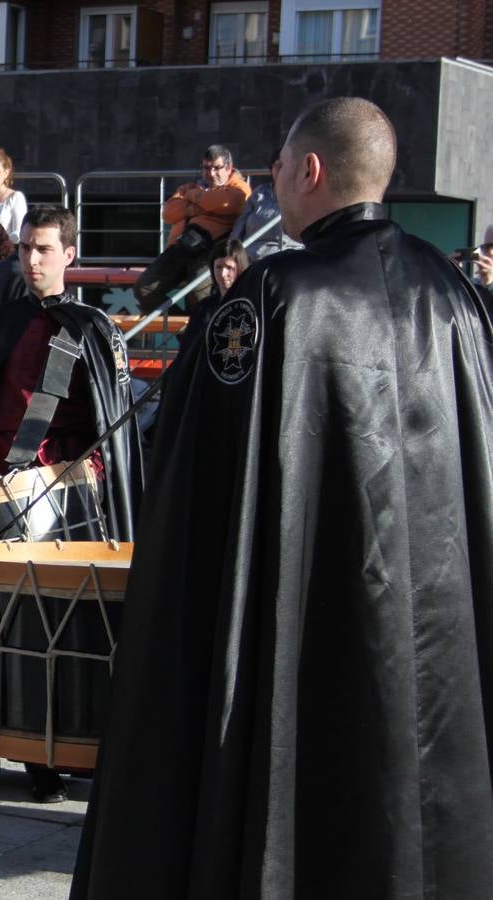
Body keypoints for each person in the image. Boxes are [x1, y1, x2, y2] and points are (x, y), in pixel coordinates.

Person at [71, 96, 493, 900]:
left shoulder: (271, 301)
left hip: (299, 620)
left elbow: (197, 487)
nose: (270, 183)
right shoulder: (459, 299)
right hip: (436, 627)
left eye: (277, 167)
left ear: (310, 170)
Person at [0, 205, 142, 805]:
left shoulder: (94, 330)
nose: (32, 259)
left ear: (69, 256)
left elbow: (110, 431)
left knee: (40, 635)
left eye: (44, 249)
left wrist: (83, 472)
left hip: (56, 498)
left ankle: (43, 763)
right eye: (26, 247)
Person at [133, 143, 251, 312]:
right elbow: (168, 213)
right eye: (206, 168)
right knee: (144, 288)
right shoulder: (189, 187)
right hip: (181, 247)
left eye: (217, 168)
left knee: (197, 293)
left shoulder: (238, 187)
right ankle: (186, 336)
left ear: (229, 167)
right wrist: (201, 206)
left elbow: (230, 202)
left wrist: (192, 200)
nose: (211, 173)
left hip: (211, 251)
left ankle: (197, 334)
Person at [228, 150, 302, 261]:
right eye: (278, 165)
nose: (281, 170)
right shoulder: (260, 193)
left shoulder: (301, 196)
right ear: (271, 168)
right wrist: (231, 251)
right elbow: (240, 225)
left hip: (283, 259)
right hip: (250, 258)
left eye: (286, 165)